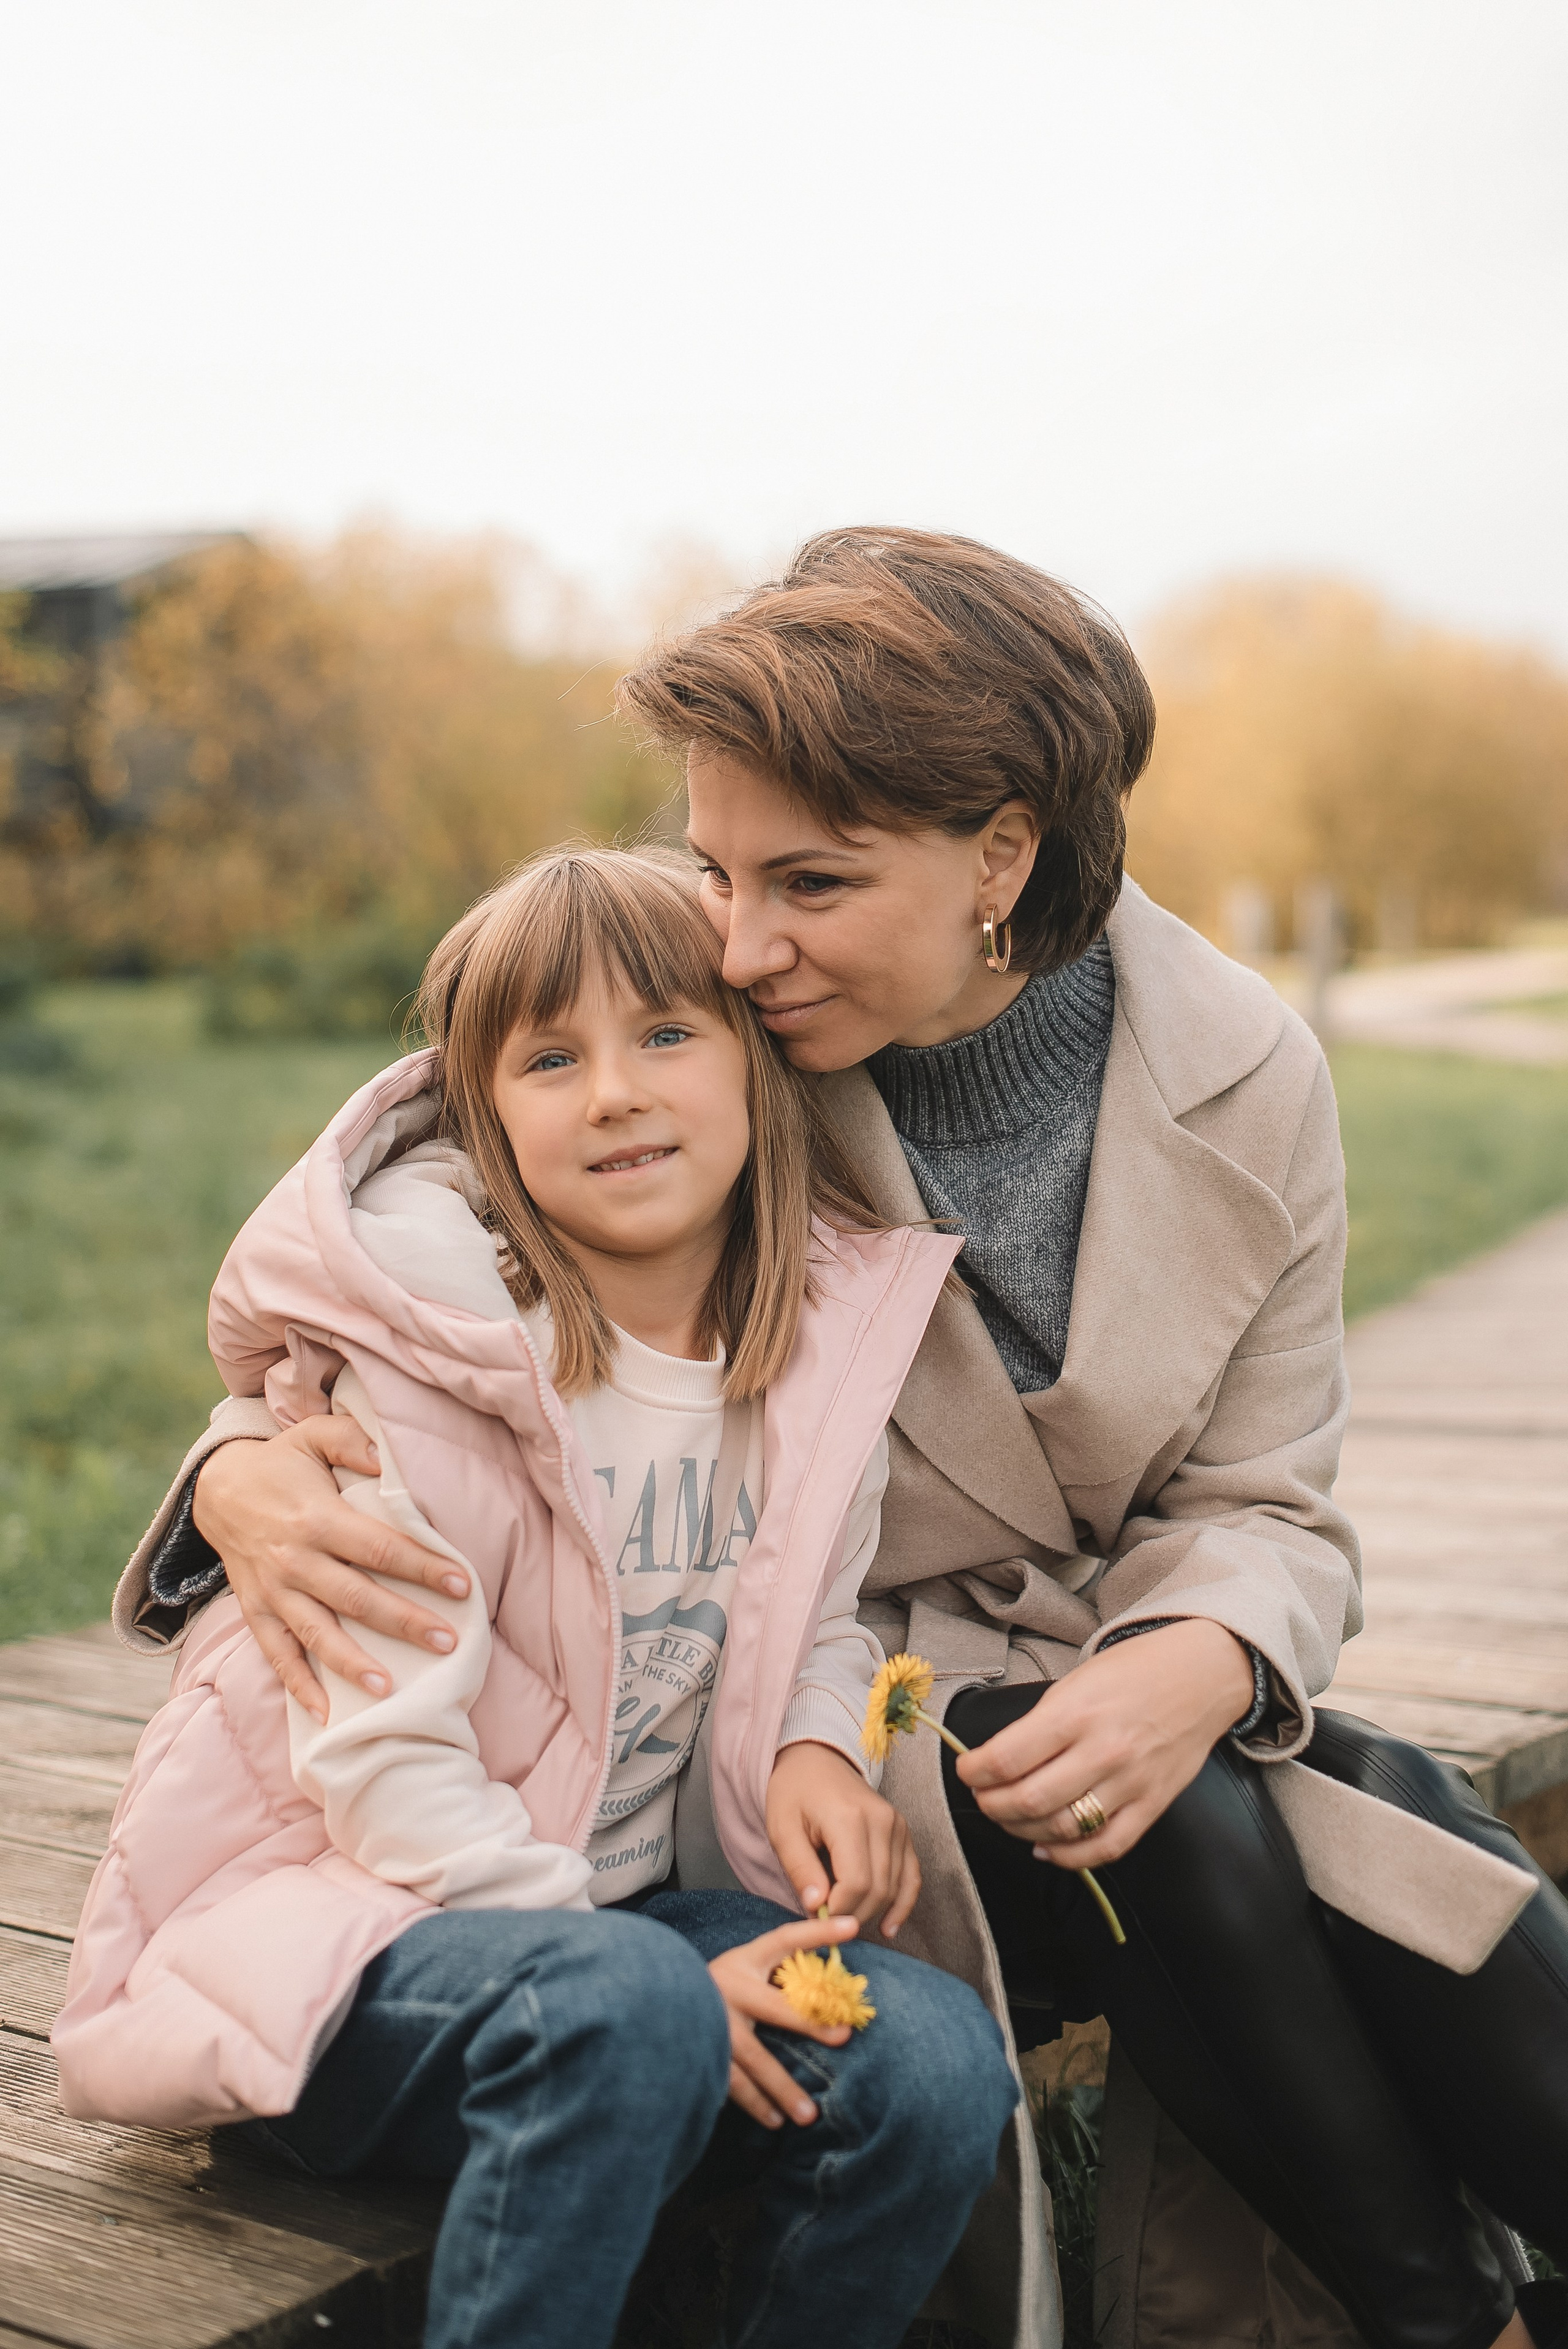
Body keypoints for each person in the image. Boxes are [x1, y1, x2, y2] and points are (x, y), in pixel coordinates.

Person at [113, 534, 1568, 2349]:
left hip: (1069, 1673)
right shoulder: (725, 1025)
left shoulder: (1246, 1070)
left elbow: (1267, 1495)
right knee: (1192, 1818)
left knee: (1365, 1803)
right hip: (834, 1707)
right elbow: (430, 1230)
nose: (737, 937)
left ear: (1002, 858)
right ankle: (1454, 2321)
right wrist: (234, 1466)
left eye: (806, 881)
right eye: (717, 868)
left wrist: (1202, 1650)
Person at [54, 847, 1019, 2349]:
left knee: (936, 2062)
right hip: (356, 1945)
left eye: (666, 1034)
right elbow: (382, 1763)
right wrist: (653, 1981)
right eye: (550, 1059)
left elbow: (820, 1621)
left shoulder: (811, 1360)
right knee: (625, 2012)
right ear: (485, 1115)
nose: (615, 1094)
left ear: (757, 1068)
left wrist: (815, 1746)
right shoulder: (428, 1375)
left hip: (618, 1922)